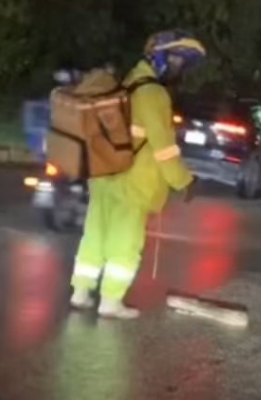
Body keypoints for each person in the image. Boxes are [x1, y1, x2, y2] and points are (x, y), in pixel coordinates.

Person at [69, 30, 205, 320]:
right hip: (133, 182)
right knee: (125, 243)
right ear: (159, 57)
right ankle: (110, 301)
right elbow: (163, 148)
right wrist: (184, 181)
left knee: (95, 234)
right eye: (176, 60)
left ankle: (80, 292)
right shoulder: (153, 93)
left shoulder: (127, 83)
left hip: (104, 175)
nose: (179, 68)